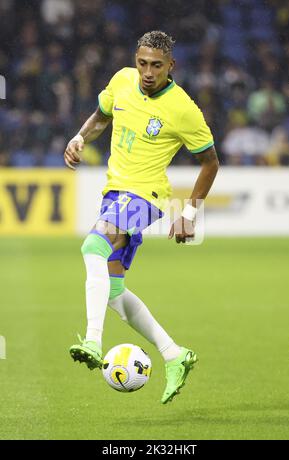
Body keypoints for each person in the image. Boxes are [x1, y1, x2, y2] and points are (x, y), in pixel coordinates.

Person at [64, 31, 219, 404]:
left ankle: (92, 339)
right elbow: (102, 116)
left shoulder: (183, 108)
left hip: (146, 196)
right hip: (114, 193)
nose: (147, 72)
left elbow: (210, 162)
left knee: (92, 245)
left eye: (156, 66)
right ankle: (174, 354)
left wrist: (191, 213)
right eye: (142, 63)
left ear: (171, 66)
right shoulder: (121, 80)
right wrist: (80, 136)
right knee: (115, 292)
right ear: (135, 60)